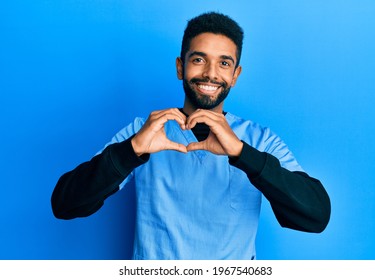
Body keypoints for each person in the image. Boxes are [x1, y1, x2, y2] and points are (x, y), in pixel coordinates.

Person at [51, 12, 331, 260]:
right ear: (180, 67)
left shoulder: (259, 139)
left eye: (224, 63)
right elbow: (65, 203)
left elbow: (316, 216)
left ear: (235, 75)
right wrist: (131, 151)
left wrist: (242, 154)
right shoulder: (145, 130)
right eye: (199, 60)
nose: (210, 74)